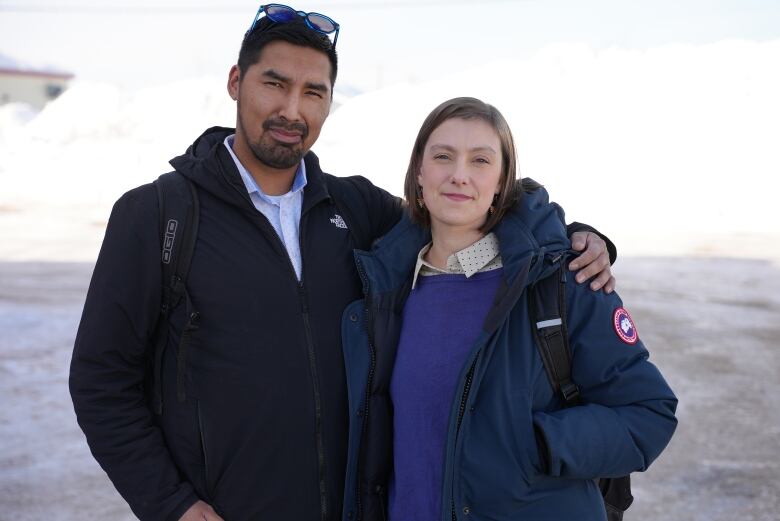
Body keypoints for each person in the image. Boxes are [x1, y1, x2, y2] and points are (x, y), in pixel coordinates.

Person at [69, 6, 617, 521]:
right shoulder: (158, 215)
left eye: (314, 92)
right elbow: (101, 380)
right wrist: (170, 504)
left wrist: (570, 238)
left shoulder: (357, 209)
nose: (292, 110)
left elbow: (464, 208)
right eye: (274, 84)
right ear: (237, 82)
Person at [340, 97, 678, 521]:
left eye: (480, 160)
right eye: (443, 156)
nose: (459, 175)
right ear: (419, 173)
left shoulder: (561, 281)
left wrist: (539, 442)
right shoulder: (388, 288)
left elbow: (648, 412)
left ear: (502, 180)